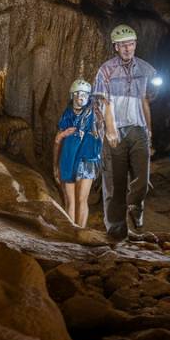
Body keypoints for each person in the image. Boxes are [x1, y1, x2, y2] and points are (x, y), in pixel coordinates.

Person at [93, 24, 157, 239]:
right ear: (116, 47)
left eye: (130, 44)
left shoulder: (146, 69)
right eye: (122, 45)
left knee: (142, 177)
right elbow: (104, 101)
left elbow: (145, 101)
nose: (127, 48)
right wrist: (110, 129)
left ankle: (136, 205)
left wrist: (149, 129)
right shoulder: (106, 70)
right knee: (115, 182)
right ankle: (116, 229)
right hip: (116, 128)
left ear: (135, 44)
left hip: (138, 128)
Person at [53, 78, 117, 228]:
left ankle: (80, 231)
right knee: (70, 201)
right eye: (77, 93)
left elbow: (107, 111)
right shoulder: (67, 114)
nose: (80, 97)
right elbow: (57, 141)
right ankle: (71, 232)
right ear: (72, 95)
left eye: (84, 94)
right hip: (68, 159)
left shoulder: (95, 111)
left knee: (81, 198)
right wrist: (55, 164)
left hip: (87, 159)